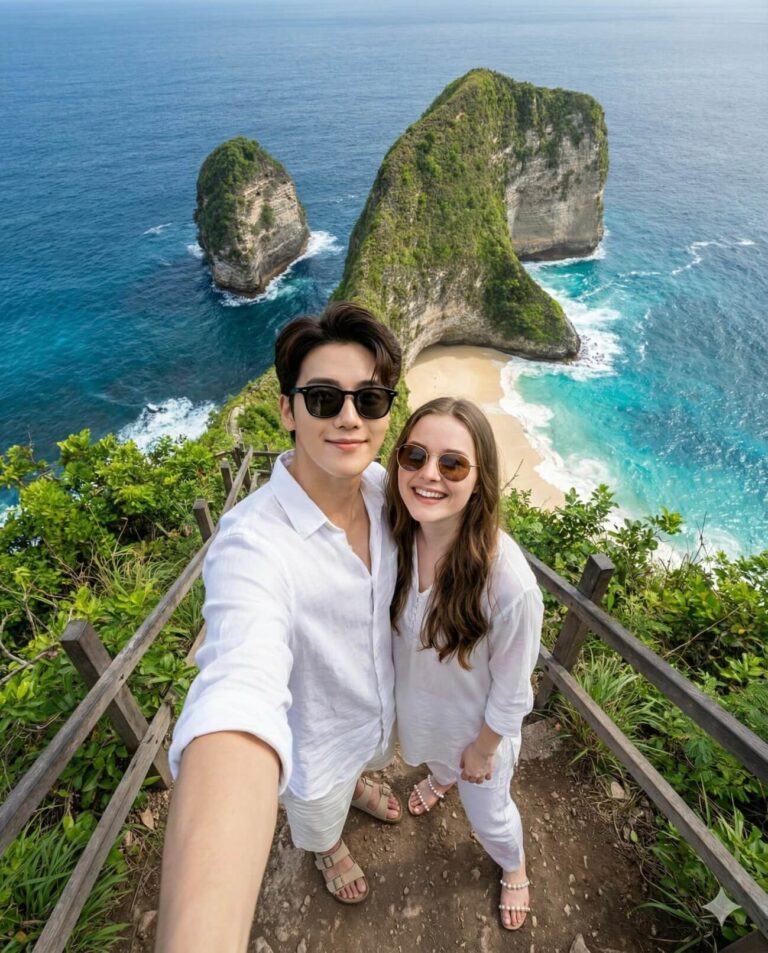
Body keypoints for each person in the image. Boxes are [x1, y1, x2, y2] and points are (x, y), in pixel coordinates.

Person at [155, 302, 403, 953]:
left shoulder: (382, 489)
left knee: (369, 765)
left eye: (369, 399)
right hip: (314, 749)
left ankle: (361, 784)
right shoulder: (251, 545)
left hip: (377, 721)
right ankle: (327, 849)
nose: (349, 417)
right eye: (323, 398)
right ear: (288, 409)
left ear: (385, 412)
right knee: (319, 816)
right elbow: (238, 688)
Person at [385, 397, 543, 932]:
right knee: (434, 761)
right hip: (427, 719)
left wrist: (482, 750)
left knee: (489, 817)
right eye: (415, 456)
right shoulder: (398, 538)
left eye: (452, 464)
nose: (429, 475)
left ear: (480, 480)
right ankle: (442, 775)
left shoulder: (508, 584)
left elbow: (514, 689)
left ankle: (514, 864)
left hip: (480, 738)